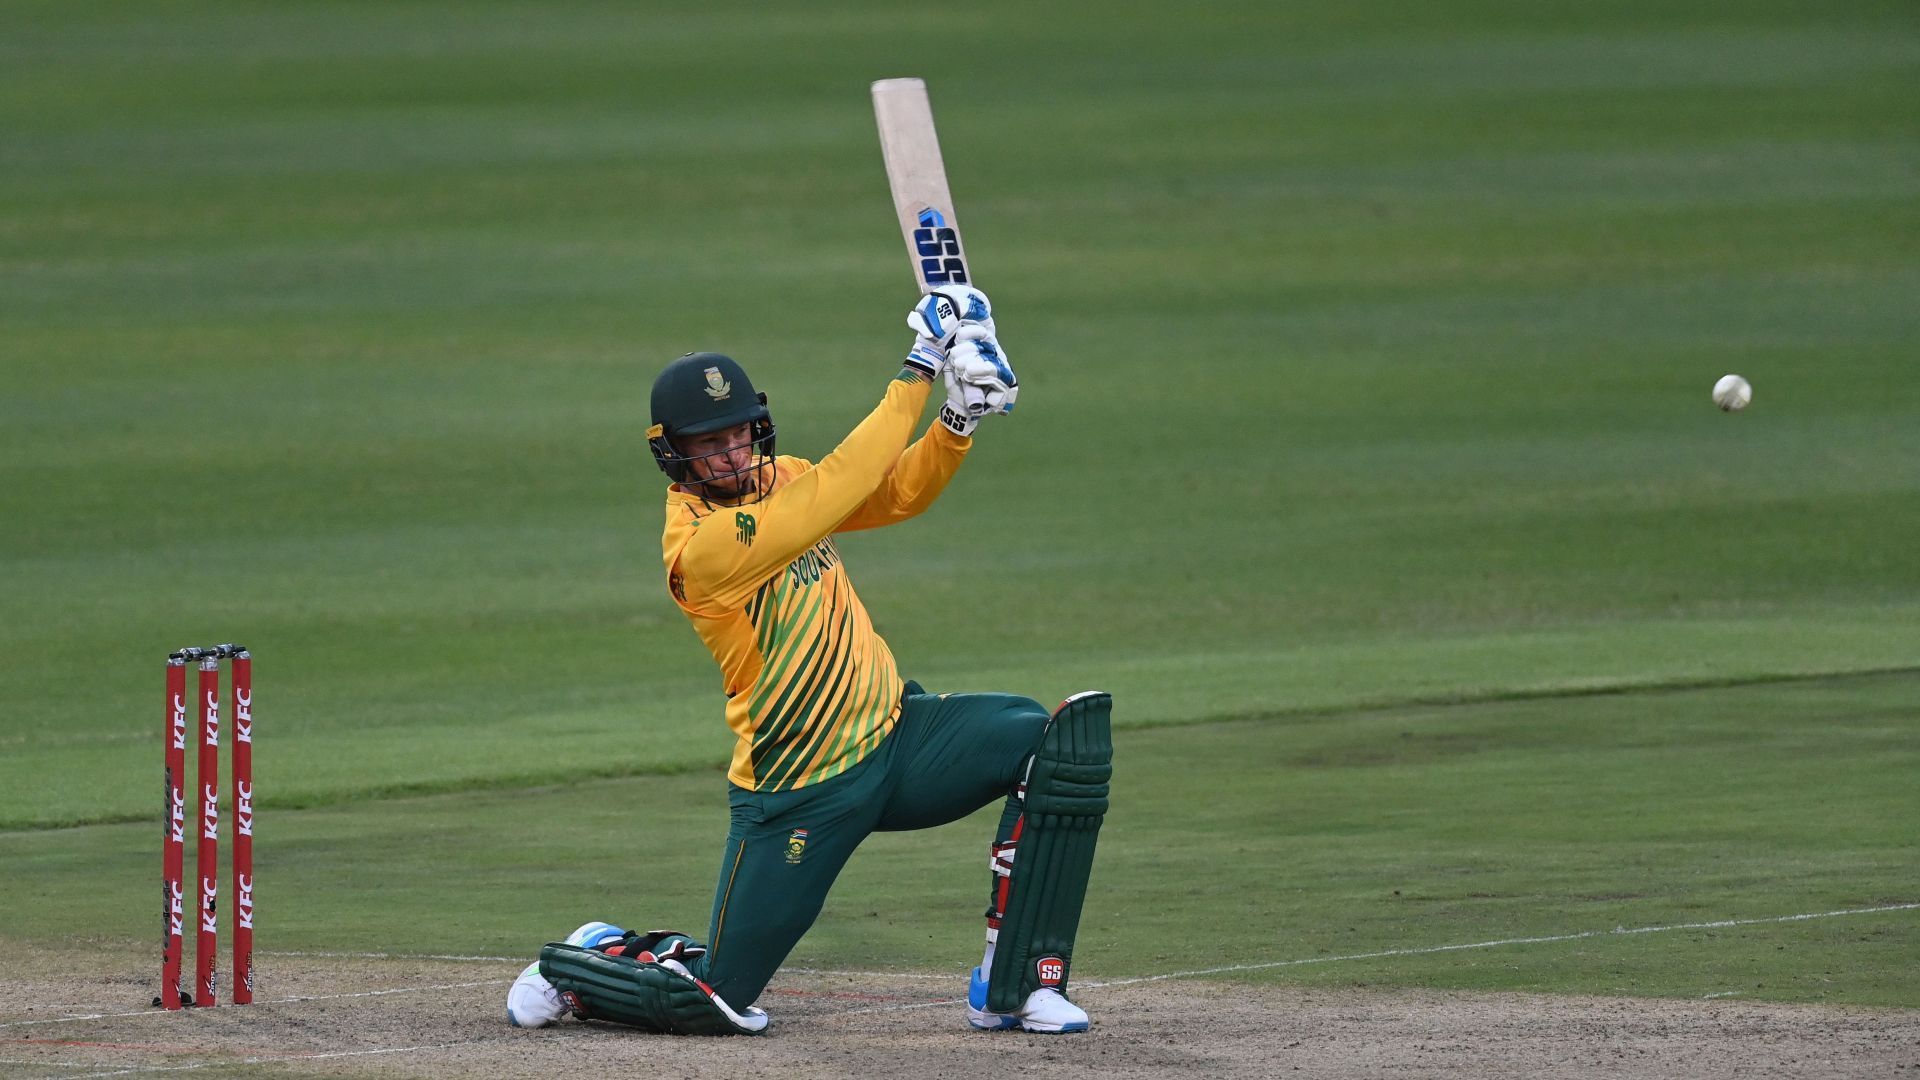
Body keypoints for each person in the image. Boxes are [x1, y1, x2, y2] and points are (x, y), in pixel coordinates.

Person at [504, 288, 1113, 1036]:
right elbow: (842, 485)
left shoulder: (781, 477)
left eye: (738, 435)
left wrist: (960, 421)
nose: (731, 455)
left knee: (1044, 738)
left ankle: (1013, 984)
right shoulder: (700, 550)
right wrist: (921, 368)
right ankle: (592, 958)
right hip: (800, 787)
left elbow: (893, 493)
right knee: (719, 997)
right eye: (709, 446)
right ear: (675, 456)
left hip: (895, 739)